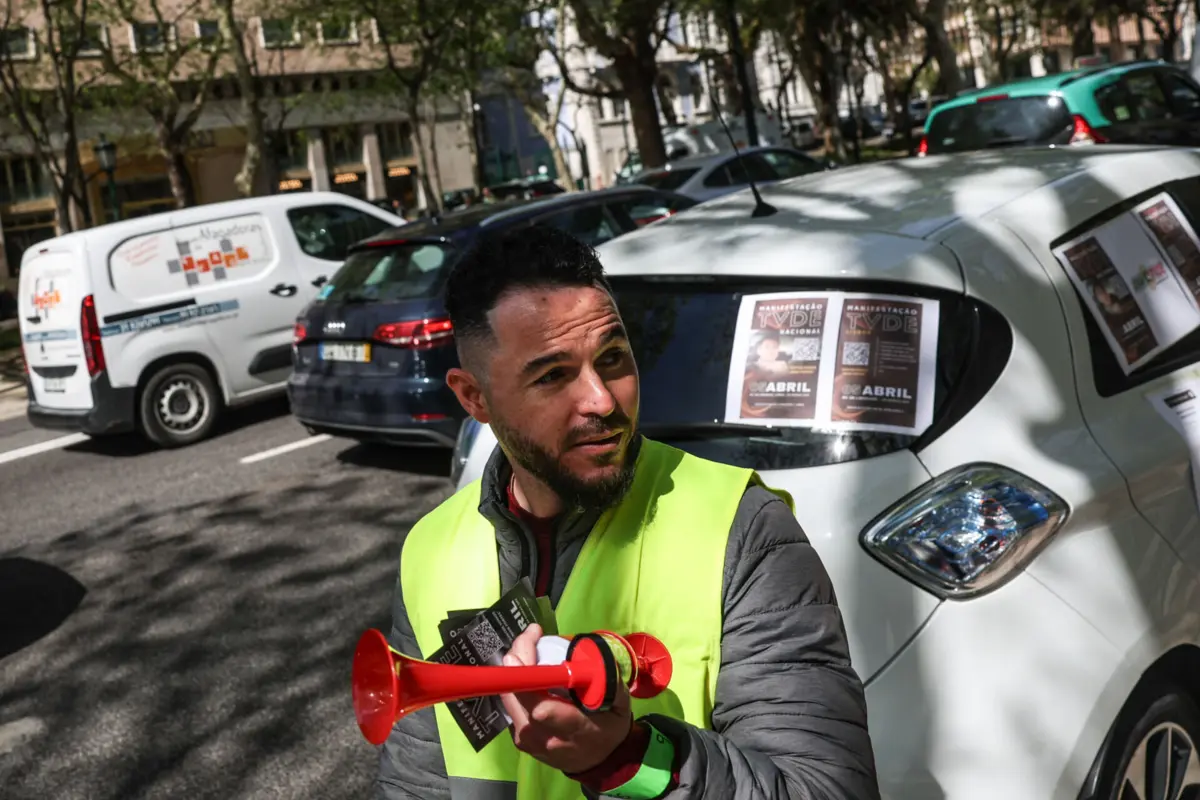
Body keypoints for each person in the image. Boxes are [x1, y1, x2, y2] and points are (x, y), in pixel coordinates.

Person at [376, 224, 880, 800]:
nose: (601, 400)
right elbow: (417, 784)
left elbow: (827, 790)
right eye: (553, 375)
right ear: (474, 398)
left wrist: (629, 761)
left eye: (613, 358)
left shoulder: (742, 527)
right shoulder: (432, 548)